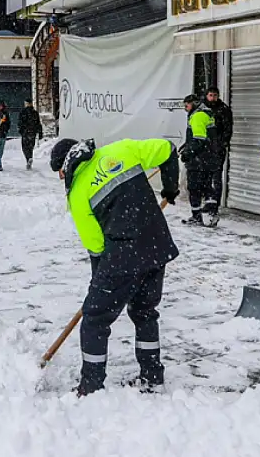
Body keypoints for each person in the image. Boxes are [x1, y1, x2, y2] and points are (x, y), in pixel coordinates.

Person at [49, 137, 180, 397]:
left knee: (95, 319)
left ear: (66, 167)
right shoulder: (122, 149)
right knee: (144, 312)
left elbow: (96, 247)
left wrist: (99, 285)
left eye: (59, 172)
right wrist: (170, 188)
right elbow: (169, 149)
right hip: (156, 244)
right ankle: (152, 376)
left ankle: (91, 386)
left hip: (123, 256)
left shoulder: (77, 193)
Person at [180, 94, 220, 227]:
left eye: (186, 105)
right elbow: (206, 136)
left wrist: (188, 153)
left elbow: (199, 140)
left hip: (199, 160)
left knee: (194, 188)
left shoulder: (197, 116)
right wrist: (186, 145)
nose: (185, 108)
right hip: (210, 158)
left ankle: (197, 216)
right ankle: (212, 214)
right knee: (207, 186)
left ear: (194, 104)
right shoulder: (207, 114)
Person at [204, 87, 233, 214]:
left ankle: (215, 205)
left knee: (216, 177)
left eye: (215, 95)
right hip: (204, 147)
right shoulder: (203, 108)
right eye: (210, 95)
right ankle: (208, 202)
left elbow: (228, 128)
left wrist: (222, 144)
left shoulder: (224, 109)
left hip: (217, 148)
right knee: (205, 176)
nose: (213, 98)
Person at [18, 99, 43, 170]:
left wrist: (21, 130)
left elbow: (20, 122)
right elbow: (38, 123)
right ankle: (30, 158)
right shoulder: (35, 113)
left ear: (26, 103)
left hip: (25, 132)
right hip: (33, 132)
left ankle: (28, 158)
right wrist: (40, 132)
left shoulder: (23, 112)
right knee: (30, 147)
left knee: (25, 147)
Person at [0, 100, 11, 171]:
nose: (0, 107)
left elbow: (8, 123)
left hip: (2, 134)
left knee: (0, 151)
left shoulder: (5, 114)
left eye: (1, 106)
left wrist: (5, 130)